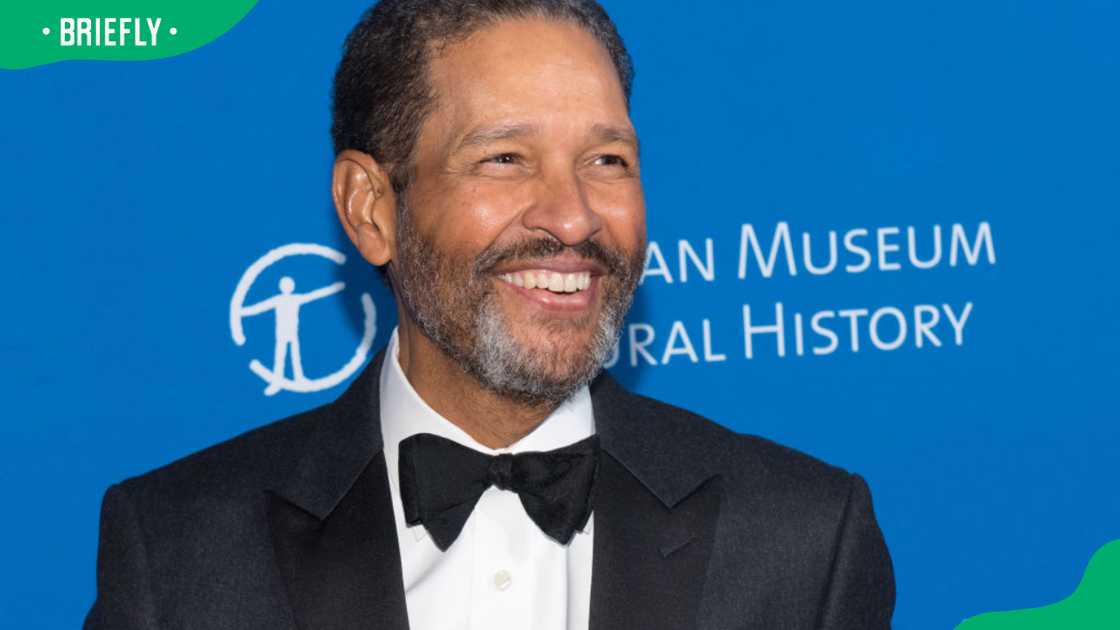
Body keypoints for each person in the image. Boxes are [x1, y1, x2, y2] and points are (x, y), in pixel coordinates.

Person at [84, 1, 895, 628]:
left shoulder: (803, 538)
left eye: (606, 161)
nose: (573, 218)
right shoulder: (182, 552)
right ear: (371, 209)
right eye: (505, 159)